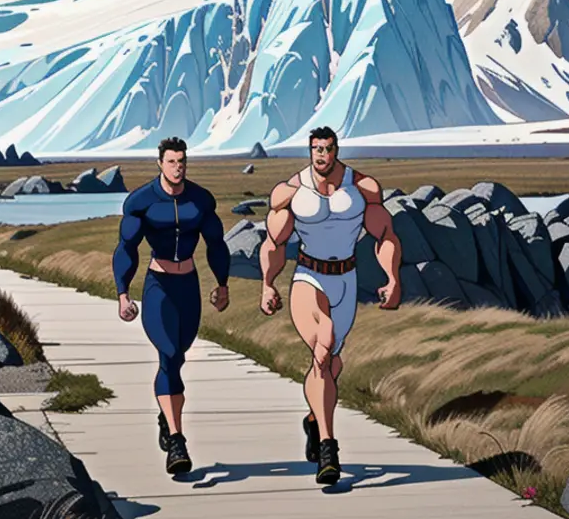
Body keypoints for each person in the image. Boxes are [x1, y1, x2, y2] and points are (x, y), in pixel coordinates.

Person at [258, 126, 402, 484]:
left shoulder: (362, 189)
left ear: (337, 150)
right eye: (316, 149)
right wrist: (267, 284)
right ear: (309, 151)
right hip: (309, 276)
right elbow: (275, 241)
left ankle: (313, 419)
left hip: (346, 280)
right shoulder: (290, 192)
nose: (322, 155)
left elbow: (385, 234)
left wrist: (392, 277)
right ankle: (328, 448)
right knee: (323, 345)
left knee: (331, 363)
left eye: (327, 148)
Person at [113, 136, 231, 475]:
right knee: (167, 355)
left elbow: (216, 244)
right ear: (160, 164)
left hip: (188, 287)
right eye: (171, 162)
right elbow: (126, 248)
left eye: (182, 162)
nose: (177, 167)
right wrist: (123, 293)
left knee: (178, 356)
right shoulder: (142, 202)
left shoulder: (200, 200)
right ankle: (177, 441)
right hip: (158, 287)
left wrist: (222, 285)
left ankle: (167, 416)